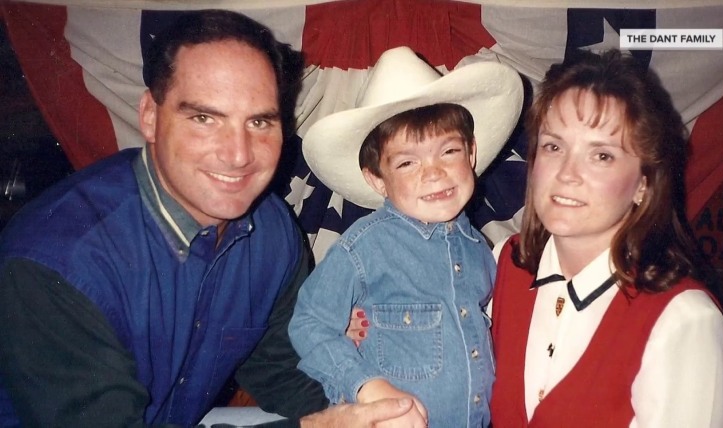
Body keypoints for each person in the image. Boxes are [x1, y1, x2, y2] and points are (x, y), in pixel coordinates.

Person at [0, 10, 416, 427]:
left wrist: (378, 407)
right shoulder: (55, 264)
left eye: (259, 122)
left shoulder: (271, 230)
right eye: (204, 118)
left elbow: (282, 370)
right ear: (149, 115)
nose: (238, 154)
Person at [488, 49, 723, 426]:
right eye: (554, 146)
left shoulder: (684, 322)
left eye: (602, 156)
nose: (567, 174)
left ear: (643, 184)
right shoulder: (504, 266)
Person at [288, 46, 523, 428]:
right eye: (408, 162)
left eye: (449, 151)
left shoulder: (480, 250)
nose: (434, 173)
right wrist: (367, 386)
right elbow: (309, 324)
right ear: (377, 179)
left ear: (472, 154)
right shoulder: (363, 247)